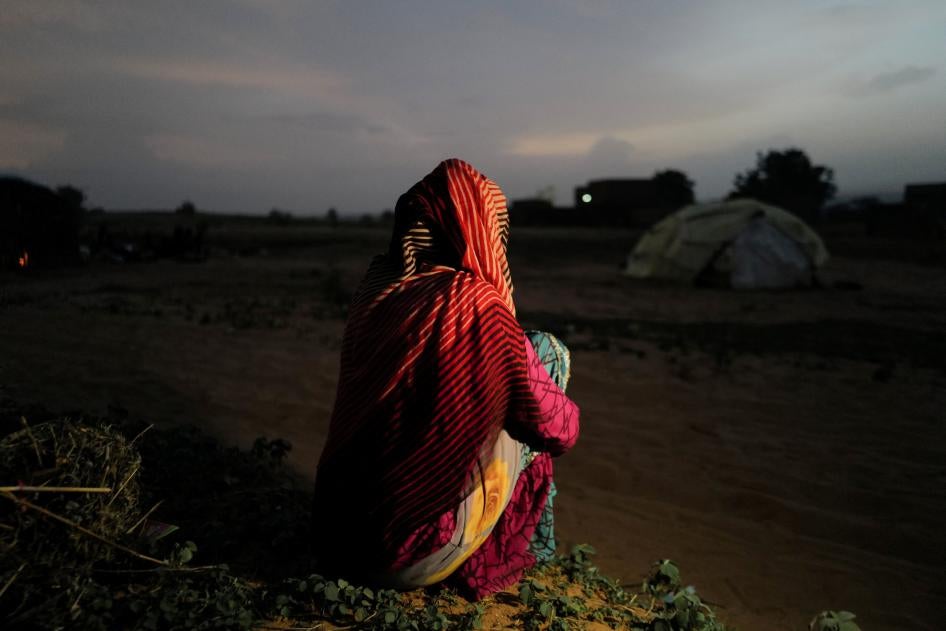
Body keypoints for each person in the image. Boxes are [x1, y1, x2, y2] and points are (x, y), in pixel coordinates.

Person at [312, 158, 579, 598]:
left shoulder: (377, 289)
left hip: (334, 545)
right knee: (545, 355)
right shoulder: (478, 305)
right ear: (479, 228)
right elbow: (558, 433)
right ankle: (495, 556)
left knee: (513, 364)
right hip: (411, 559)